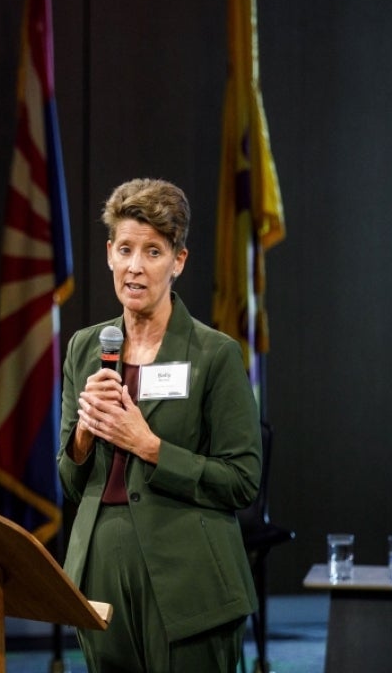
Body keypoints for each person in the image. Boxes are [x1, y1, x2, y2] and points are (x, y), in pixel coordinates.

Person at [57, 178, 262, 672]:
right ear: (109, 254)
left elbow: (243, 480)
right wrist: (84, 435)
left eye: (153, 251)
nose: (135, 266)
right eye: (125, 249)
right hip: (100, 573)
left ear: (178, 262)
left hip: (188, 580)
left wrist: (150, 447)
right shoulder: (86, 349)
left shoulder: (214, 354)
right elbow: (69, 481)